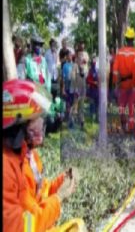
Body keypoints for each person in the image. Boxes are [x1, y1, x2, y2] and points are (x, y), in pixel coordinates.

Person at [3, 79, 78, 232]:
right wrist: (57, 200)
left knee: (77, 226)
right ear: (18, 126)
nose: (41, 128)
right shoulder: (6, 168)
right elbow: (21, 227)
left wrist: (62, 181)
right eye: (34, 123)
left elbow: (40, 191)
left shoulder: (26, 155)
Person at [113, 27, 135, 133]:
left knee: (122, 106)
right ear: (132, 40)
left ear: (126, 39)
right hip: (133, 84)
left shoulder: (119, 52)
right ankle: (131, 128)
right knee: (132, 107)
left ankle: (124, 127)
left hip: (122, 84)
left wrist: (116, 84)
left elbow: (114, 70)